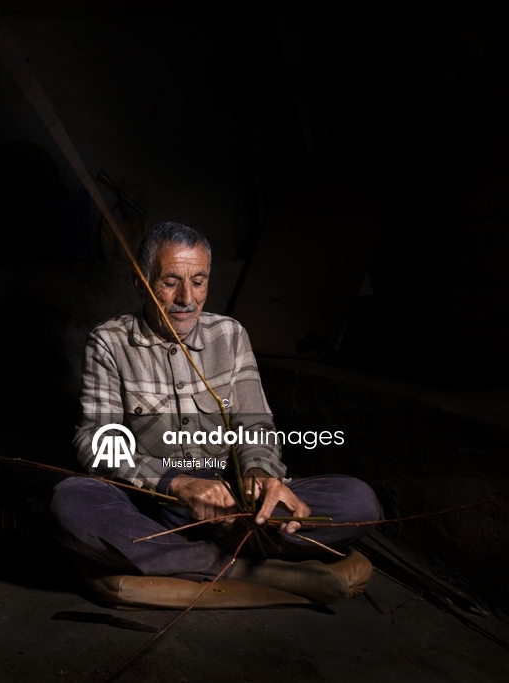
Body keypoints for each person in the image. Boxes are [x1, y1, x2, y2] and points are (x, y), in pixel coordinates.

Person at [50, 222, 381, 605]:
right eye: (171, 281)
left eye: (199, 281)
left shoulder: (231, 335)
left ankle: (186, 559)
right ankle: (248, 568)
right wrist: (175, 483)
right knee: (71, 503)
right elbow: (96, 441)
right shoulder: (109, 342)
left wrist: (259, 475)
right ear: (142, 283)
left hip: (236, 509)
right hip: (154, 508)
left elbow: (255, 425)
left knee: (358, 502)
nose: (186, 298)